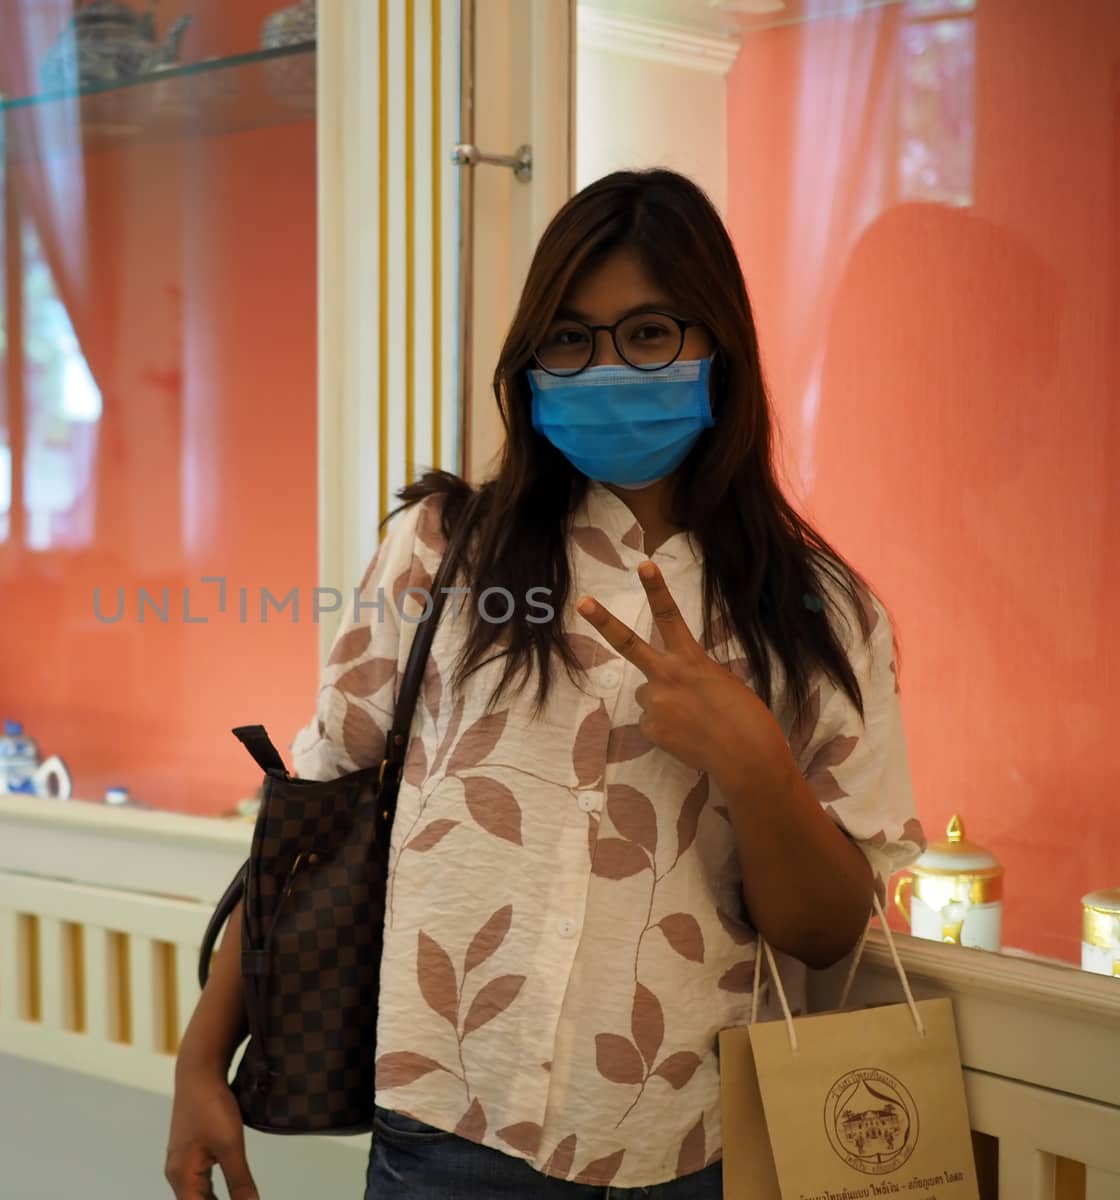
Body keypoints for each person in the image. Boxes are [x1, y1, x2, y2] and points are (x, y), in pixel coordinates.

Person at [164, 168, 924, 1199]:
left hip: (692, 1149)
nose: (606, 366)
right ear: (527, 365)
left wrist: (756, 768)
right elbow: (319, 809)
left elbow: (829, 928)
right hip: (443, 1134)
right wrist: (202, 1057)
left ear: (719, 347)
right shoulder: (438, 553)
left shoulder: (823, 613)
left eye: (649, 332)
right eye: (568, 339)